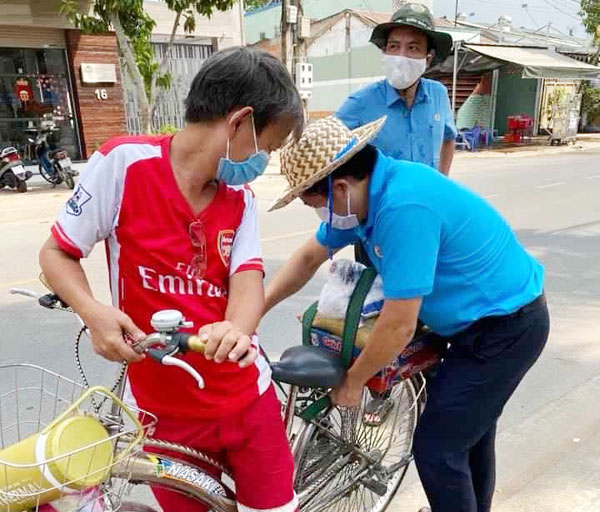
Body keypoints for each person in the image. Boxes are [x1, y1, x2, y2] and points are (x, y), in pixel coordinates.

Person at [39, 47, 304, 512]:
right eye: (268, 148)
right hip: (167, 414)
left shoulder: (239, 199)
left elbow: (247, 280)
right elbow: (57, 253)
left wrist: (237, 329)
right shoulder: (123, 165)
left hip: (247, 401)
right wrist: (94, 312)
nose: (264, 162)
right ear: (239, 122)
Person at [264, 116, 550, 512]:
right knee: (470, 435)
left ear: (340, 187)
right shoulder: (366, 196)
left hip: (506, 328)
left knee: (438, 448)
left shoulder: (403, 206)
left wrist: (353, 381)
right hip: (470, 324)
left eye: (313, 203)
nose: (319, 214)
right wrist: (257, 307)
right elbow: (308, 258)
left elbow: (399, 324)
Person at [336, 2, 456, 175]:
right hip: (383, 201)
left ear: (427, 59)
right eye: (394, 46)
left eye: (413, 48)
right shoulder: (361, 102)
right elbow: (327, 149)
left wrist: (443, 182)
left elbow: (448, 138)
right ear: (384, 52)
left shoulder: (438, 94)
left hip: (426, 197)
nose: (401, 56)